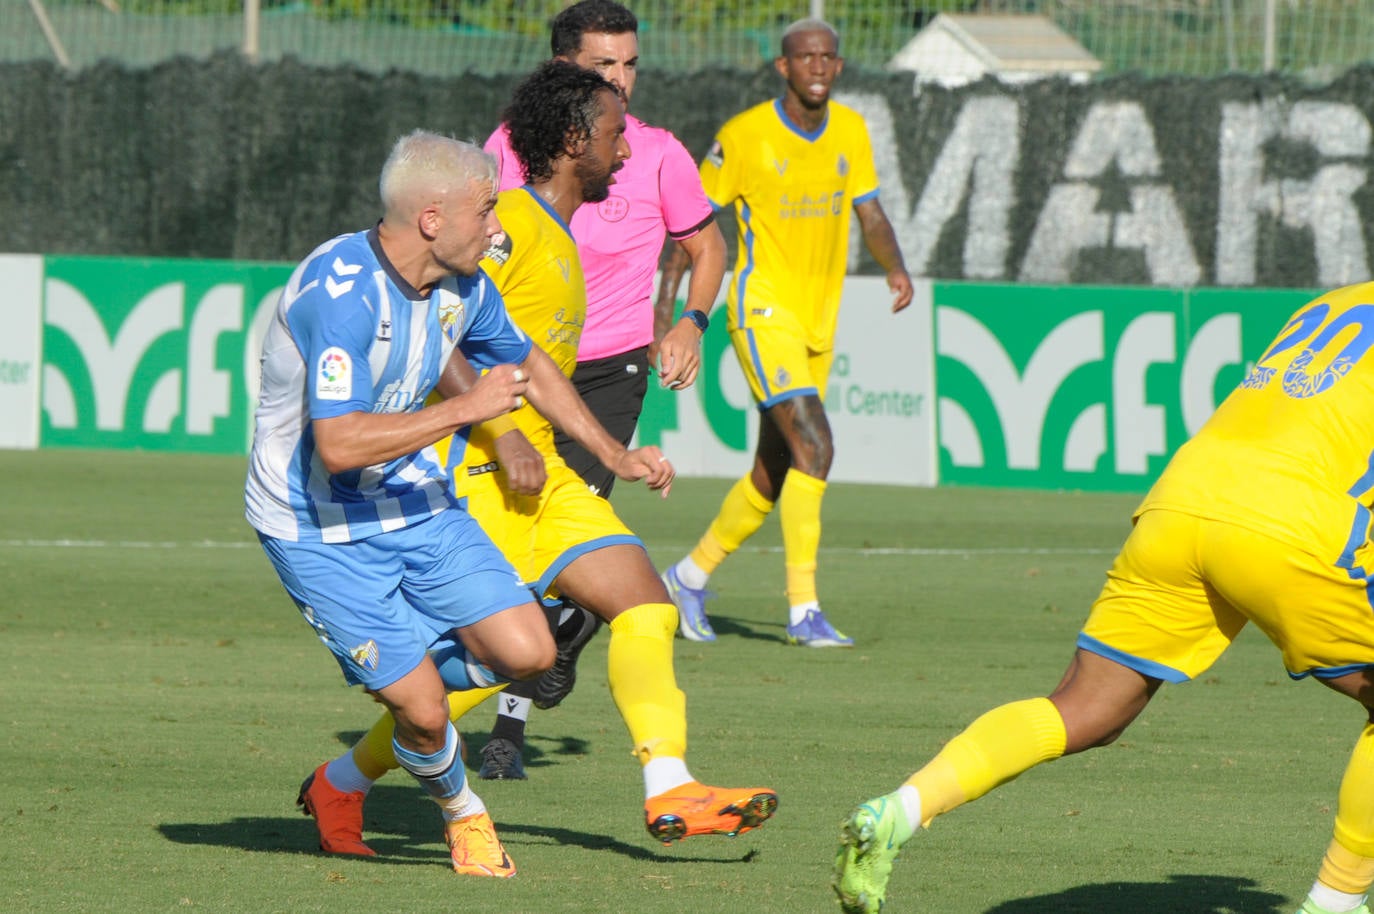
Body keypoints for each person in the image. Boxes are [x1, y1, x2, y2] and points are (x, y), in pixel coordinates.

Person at [296, 60, 778, 859]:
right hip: (476, 474)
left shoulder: (552, 234)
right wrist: (501, 434)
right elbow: (438, 327)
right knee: (485, 672)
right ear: (573, 140)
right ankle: (342, 783)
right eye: (616, 137)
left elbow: (530, 362)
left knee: (647, 604)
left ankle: (671, 786)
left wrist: (611, 453)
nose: (626, 154)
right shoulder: (509, 222)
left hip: (546, 472)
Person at [833, 281, 1374, 914]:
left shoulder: (1333, 301)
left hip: (1183, 498)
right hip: (1289, 516)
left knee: (1086, 708)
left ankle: (900, 811)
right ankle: (1335, 903)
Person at [474, 0, 727, 781]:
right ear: (562, 72)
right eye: (602, 66)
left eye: (630, 64)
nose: (621, 79)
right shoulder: (509, 155)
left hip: (611, 370)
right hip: (512, 377)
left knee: (574, 551)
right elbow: (463, 279)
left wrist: (689, 321)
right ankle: (408, 729)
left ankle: (511, 729)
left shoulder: (651, 152)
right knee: (513, 552)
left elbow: (707, 245)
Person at [659, 18, 914, 648]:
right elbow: (688, 228)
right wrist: (664, 314)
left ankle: (687, 578)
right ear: (784, 67)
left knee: (775, 472)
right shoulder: (745, 136)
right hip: (759, 306)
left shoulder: (851, 131)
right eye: (807, 58)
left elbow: (871, 211)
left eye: (829, 57)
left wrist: (897, 268)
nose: (819, 67)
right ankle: (804, 611)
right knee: (819, 448)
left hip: (817, 317)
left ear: (839, 65)